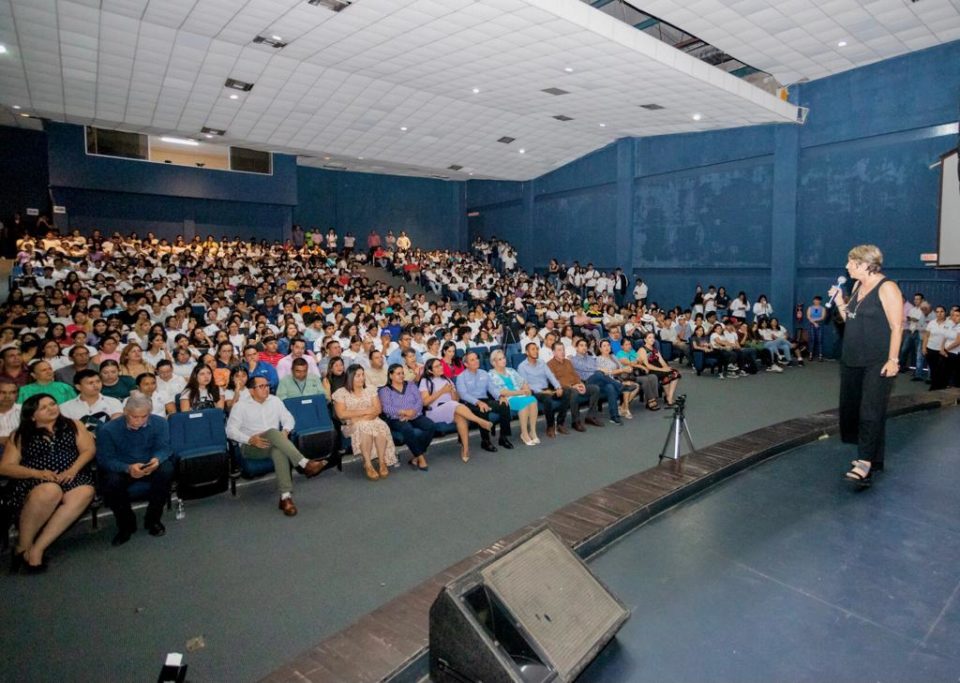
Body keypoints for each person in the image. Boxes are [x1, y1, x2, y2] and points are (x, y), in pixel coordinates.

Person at [831, 244, 904, 485]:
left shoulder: (887, 288)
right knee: (853, 409)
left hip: (877, 361)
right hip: (852, 358)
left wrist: (893, 360)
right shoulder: (856, 286)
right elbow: (849, 319)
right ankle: (876, 458)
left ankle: (865, 463)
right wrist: (840, 301)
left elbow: (897, 326)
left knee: (869, 412)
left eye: (851, 263)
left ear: (864, 264)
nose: (847, 267)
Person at [0, 394, 95, 572]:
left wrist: (73, 470)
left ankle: (38, 548)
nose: (51, 408)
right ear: (32, 415)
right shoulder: (20, 435)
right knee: (50, 490)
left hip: (72, 475)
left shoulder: (73, 425)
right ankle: (22, 546)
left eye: (52, 404)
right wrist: (38, 473)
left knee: (85, 491)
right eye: (44, 407)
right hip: (35, 480)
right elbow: (5, 467)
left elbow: (88, 450)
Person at [226, 377, 330, 516]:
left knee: (278, 450)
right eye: (261, 386)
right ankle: (304, 463)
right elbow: (230, 431)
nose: (266, 388)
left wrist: (286, 430)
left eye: (267, 385)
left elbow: (288, 418)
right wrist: (250, 439)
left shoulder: (274, 401)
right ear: (251, 390)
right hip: (252, 446)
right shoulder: (241, 406)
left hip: (274, 442)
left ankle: (285, 497)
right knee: (273, 432)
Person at [95, 394, 176, 544]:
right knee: (111, 481)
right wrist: (127, 468)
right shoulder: (108, 430)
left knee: (166, 469)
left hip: (149, 464)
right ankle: (125, 525)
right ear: (125, 412)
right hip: (123, 467)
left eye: (144, 416)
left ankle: (153, 520)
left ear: (150, 413)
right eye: (134, 417)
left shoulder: (160, 423)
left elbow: (165, 447)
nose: (139, 421)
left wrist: (156, 459)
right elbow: (105, 459)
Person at [418, 358, 492, 462]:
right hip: (434, 411)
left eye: (440, 365)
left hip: (451, 408)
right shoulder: (425, 381)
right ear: (430, 370)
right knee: (453, 405)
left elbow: (455, 399)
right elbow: (425, 402)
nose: (440, 367)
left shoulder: (447, 379)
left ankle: (465, 449)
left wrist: (452, 392)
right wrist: (442, 391)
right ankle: (480, 421)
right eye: (437, 366)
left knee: (460, 417)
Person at [331, 364, 397, 481]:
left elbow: (377, 409)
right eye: (358, 376)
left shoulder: (370, 389)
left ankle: (382, 462)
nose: (361, 378)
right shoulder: (341, 393)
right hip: (351, 425)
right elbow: (342, 414)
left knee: (381, 425)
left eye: (362, 375)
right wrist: (366, 411)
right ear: (350, 377)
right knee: (365, 427)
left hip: (372, 419)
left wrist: (361, 417)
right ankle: (368, 464)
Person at [379, 364, 436, 470]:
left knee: (430, 426)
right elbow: (386, 408)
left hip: (414, 414)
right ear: (390, 376)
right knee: (407, 429)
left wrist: (413, 412)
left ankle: (416, 456)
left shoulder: (410, 385)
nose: (401, 376)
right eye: (398, 374)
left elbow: (419, 401)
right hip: (396, 418)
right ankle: (421, 457)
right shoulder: (385, 390)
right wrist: (403, 412)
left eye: (402, 373)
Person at [456, 350, 513, 451]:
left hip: (485, 400)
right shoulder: (461, 377)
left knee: (504, 405)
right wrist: (478, 402)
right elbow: (463, 395)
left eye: (476, 358)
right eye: (472, 360)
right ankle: (485, 441)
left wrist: (500, 396)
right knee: (483, 409)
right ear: (466, 364)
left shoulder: (484, 373)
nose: (476, 361)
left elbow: (492, 388)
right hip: (470, 402)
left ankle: (503, 437)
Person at [547, 342, 601, 430]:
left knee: (595, 389)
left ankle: (590, 416)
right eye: (559, 350)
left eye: (563, 349)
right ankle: (575, 421)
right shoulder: (549, 364)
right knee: (574, 392)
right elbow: (554, 381)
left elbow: (575, 375)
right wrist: (572, 386)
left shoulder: (568, 362)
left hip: (575, 385)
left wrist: (580, 383)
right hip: (563, 389)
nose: (562, 352)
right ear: (553, 352)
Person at [517, 342, 567, 438]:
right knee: (547, 398)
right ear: (527, 352)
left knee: (567, 392)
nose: (536, 351)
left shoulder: (542, 362)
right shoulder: (522, 366)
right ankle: (550, 426)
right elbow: (526, 385)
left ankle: (560, 423)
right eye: (533, 349)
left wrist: (558, 387)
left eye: (537, 349)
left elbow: (550, 376)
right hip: (534, 392)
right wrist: (542, 391)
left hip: (547, 389)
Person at [571, 338, 623, 425]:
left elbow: (595, 368)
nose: (584, 347)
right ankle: (620, 386)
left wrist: (599, 369)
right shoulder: (574, 359)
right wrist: (599, 369)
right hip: (586, 383)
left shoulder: (591, 358)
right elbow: (585, 367)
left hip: (598, 381)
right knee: (599, 373)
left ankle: (614, 416)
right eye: (581, 346)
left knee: (610, 387)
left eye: (585, 346)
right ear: (576, 348)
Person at [59, 369, 124, 436]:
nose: (95, 385)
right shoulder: (65, 408)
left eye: (98, 381)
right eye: (90, 383)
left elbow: (116, 427)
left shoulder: (113, 402)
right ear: (78, 387)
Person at [637, 331, 682, 407]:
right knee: (674, 374)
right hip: (651, 371)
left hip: (659, 369)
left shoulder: (655, 349)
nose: (652, 339)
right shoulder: (642, 350)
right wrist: (663, 370)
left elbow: (662, 361)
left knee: (672, 373)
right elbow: (647, 365)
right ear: (645, 340)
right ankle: (669, 398)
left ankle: (669, 397)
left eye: (653, 337)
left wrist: (666, 367)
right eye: (649, 337)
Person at [0, 377, 22, 447]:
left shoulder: (24, 410)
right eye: (3, 392)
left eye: (12, 392)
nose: (7, 396)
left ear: (17, 394)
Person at [806, 296, 826, 361]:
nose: (816, 301)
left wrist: (815, 321)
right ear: (813, 301)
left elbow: (822, 317)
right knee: (812, 339)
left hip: (820, 325)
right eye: (815, 300)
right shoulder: (810, 308)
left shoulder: (822, 308)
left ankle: (820, 356)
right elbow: (808, 317)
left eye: (818, 300)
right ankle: (810, 355)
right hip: (812, 325)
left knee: (820, 340)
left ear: (820, 301)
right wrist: (814, 323)